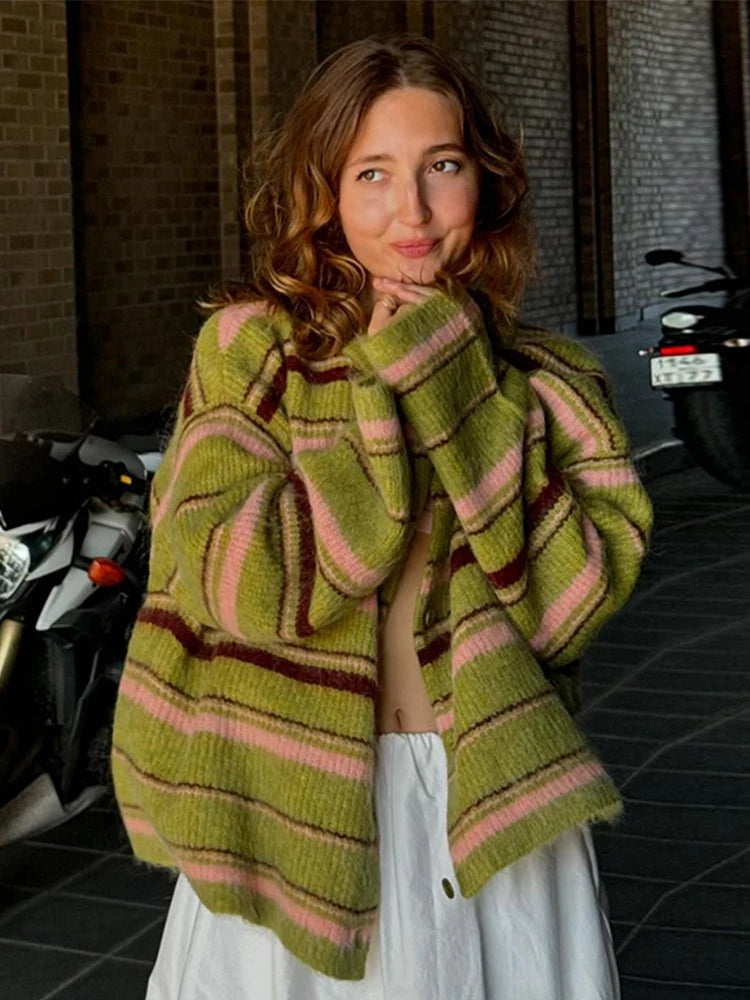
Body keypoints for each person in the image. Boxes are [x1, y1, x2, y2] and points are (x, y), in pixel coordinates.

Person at [111, 33, 653, 1000]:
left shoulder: (544, 382)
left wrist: (451, 381)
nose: (411, 210)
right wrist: (385, 404)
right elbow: (243, 585)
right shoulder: (250, 356)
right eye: (372, 173)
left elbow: (569, 604)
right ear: (323, 193)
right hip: (290, 811)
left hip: (491, 813)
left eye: (441, 166)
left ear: (482, 179)